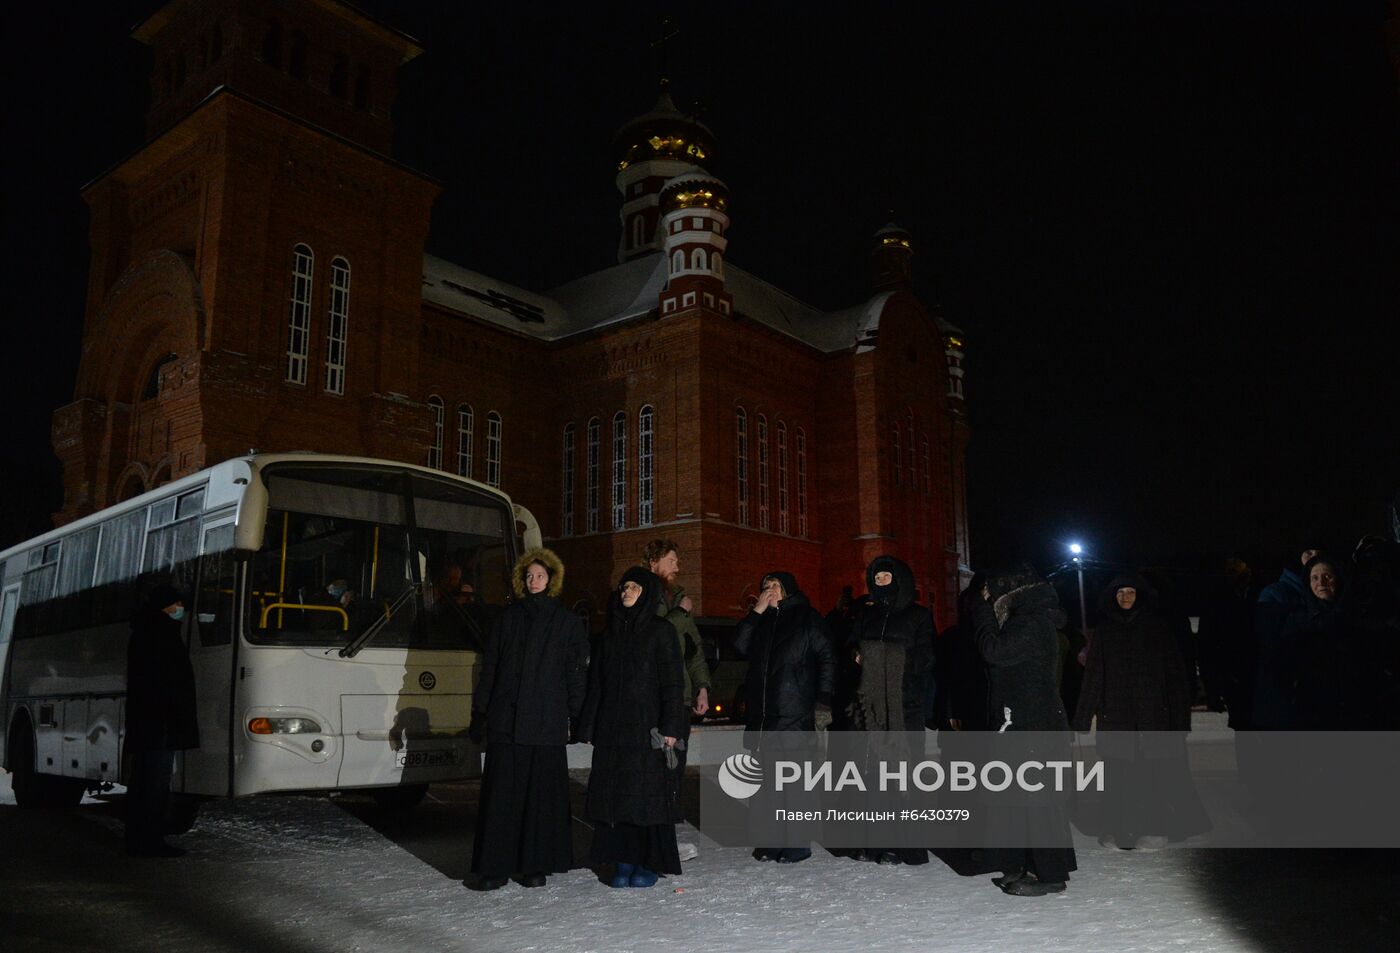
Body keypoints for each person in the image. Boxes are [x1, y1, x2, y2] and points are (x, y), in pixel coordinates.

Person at [467, 548, 589, 890]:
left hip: (546, 722)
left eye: (539, 575)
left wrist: (577, 715)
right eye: (529, 576)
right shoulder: (507, 619)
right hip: (507, 721)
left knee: (539, 800)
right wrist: (481, 711)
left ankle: (535, 865)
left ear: (552, 579)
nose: (533, 581)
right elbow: (490, 669)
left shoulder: (566, 622)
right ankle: (495, 866)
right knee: (503, 797)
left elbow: (575, 674)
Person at [1072, 575, 1207, 850]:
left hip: (1154, 716)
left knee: (1152, 776)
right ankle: (1117, 830)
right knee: (1117, 777)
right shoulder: (1105, 632)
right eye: (1120, 592)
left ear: (1140, 596)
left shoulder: (1158, 630)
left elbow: (1175, 678)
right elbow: (1094, 677)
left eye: (1130, 592)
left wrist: (1180, 722)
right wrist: (1083, 717)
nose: (1125, 597)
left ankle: (1154, 828)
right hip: (1116, 716)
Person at [968, 564, 1077, 896]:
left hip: (1034, 724)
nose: (984, 597)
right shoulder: (1027, 620)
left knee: (1040, 800)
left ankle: (1051, 874)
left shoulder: (1030, 622)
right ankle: (1027, 863)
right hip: (1021, 722)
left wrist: (982, 613)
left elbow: (994, 652)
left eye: (989, 593)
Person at [577, 567, 686, 888]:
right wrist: (589, 725)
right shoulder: (609, 634)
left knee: (646, 800)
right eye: (624, 586)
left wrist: (671, 727)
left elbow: (673, 683)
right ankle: (622, 860)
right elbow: (596, 683)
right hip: (613, 730)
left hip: (648, 730)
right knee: (616, 800)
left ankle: (647, 862)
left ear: (647, 592)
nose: (626, 591)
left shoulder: (660, 631)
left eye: (634, 587)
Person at [733, 571, 835, 863]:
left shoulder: (807, 618)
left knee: (793, 782)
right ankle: (769, 841)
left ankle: (797, 843)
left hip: (794, 710)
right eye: (765, 586)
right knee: (765, 784)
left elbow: (827, 656)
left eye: (775, 585)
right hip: (763, 717)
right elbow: (739, 646)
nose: (769, 590)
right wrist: (756, 613)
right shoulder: (762, 620)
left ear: (788, 589)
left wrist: (823, 700)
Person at [847, 554, 935, 865]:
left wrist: (885, 660)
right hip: (871, 709)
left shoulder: (918, 616)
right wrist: (859, 655)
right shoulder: (866, 615)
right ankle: (873, 841)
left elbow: (926, 658)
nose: (879, 583)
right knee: (872, 777)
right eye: (875, 578)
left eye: (885, 577)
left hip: (903, 707)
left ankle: (904, 845)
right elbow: (851, 646)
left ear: (899, 580)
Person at [643, 540, 711, 862]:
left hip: (680, 698)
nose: (677, 567)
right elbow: (657, 638)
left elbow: (693, 648)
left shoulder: (679, 599)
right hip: (655, 697)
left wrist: (702, 686)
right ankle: (654, 838)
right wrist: (681, 614)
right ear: (654, 562)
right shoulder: (640, 594)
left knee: (675, 768)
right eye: (671, 560)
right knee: (656, 768)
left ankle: (667, 835)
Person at [124, 582, 199, 857]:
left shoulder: (147, 631)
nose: (180, 609)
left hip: (151, 724)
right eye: (175, 605)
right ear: (164, 606)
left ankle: (140, 838)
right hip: (159, 724)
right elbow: (166, 682)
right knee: (154, 785)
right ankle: (148, 841)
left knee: (146, 783)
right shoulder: (159, 633)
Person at [1197, 558, 1253, 714]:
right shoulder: (1236, 605)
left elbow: (1206, 649)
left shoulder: (1215, 604)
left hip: (1231, 675)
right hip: (1236, 675)